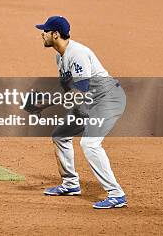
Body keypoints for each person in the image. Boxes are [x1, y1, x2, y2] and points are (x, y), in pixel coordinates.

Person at [35, 15, 127, 209]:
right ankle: (70, 184)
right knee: (60, 135)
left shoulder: (77, 53)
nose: (42, 35)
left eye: (45, 31)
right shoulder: (59, 55)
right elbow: (71, 89)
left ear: (55, 34)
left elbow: (81, 90)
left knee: (90, 144)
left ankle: (116, 194)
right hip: (89, 101)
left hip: (107, 100)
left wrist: (46, 103)